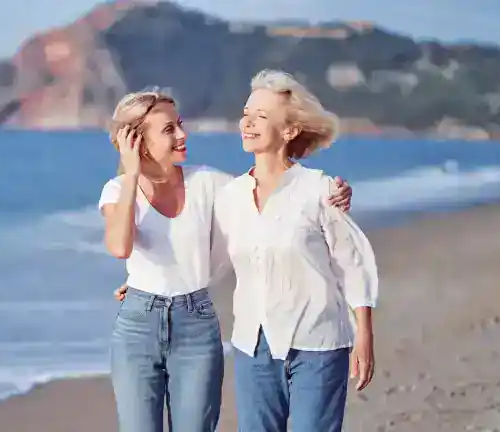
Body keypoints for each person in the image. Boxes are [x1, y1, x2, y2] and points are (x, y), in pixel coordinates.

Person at [98, 89, 353, 432]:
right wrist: (131, 175)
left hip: (196, 324)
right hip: (136, 326)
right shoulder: (117, 190)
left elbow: (274, 194)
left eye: (180, 124)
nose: (182, 135)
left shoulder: (208, 183)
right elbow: (119, 246)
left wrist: (329, 193)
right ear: (138, 141)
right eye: (168, 129)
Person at [212, 69, 379, 432]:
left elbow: (354, 263)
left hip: (318, 343)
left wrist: (364, 335)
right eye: (246, 114)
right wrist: (145, 283)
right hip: (253, 346)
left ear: (288, 131)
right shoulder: (230, 197)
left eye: (261, 116)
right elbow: (210, 258)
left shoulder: (320, 190)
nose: (248, 123)